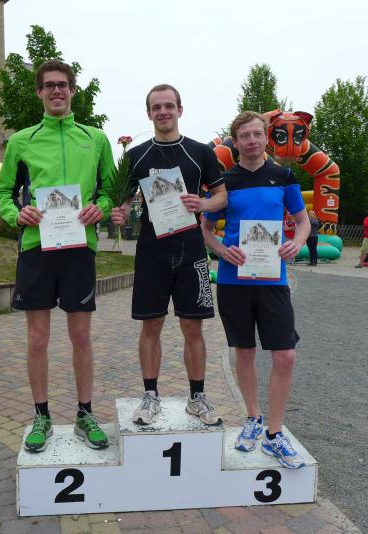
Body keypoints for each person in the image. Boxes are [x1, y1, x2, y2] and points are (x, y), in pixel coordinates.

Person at [0, 60, 115, 452]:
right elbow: (3, 192)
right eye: (49, 85)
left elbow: (109, 190)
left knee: (81, 336)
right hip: (36, 249)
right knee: (37, 339)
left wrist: (100, 207)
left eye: (63, 85)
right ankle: (41, 417)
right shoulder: (21, 141)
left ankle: (85, 414)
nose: (57, 91)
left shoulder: (95, 138)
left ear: (73, 90)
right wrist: (16, 214)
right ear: (39, 93)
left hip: (80, 248)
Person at [111, 84, 227, 426]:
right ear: (149, 113)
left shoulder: (201, 152)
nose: (163, 112)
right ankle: (150, 395)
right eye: (156, 107)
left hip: (191, 249)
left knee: (193, 326)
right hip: (152, 250)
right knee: (151, 324)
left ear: (180, 109)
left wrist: (203, 203)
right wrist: (119, 213)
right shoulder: (136, 156)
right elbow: (123, 201)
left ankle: (197, 397)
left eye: (168, 106)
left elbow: (221, 196)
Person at [201, 111, 310, 469]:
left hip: (273, 279)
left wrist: (297, 242)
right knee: (244, 352)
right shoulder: (224, 182)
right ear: (234, 142)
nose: (251, 140)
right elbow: (205, 229)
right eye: (244, 136)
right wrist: (221, 250)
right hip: (234, 281)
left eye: (256, 134)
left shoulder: (284, 176)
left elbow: (303, 221)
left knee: (285, 356)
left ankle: (275, 435)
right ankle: (253, 418)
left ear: (266, 138)